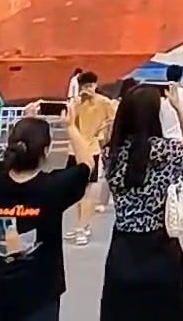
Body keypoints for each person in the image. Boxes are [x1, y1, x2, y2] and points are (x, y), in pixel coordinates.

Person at [0, 113, 95, 321]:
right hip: (37, 297)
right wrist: (71, 127)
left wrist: (26, 124)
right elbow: (87, 164)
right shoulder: (54, 186)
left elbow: (6, 160)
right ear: (46, 150)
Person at [101, 82, 183, 320]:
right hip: (160, 248)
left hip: (123, 247)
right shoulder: (165, 151)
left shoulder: (111, 154)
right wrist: (181, 111)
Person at [67, 72, 117, 241]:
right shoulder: (74, 103)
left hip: (92, 149)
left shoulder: (104, 102)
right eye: (84, 86)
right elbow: (68, 123)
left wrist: (102, 133)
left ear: (96, 85)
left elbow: (113, 119)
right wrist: (76, 104)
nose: (88, 89)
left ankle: (82, 228)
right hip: (74, 149)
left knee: (87, 190)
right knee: (76, 191)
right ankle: (81, 224)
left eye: (90, 86)